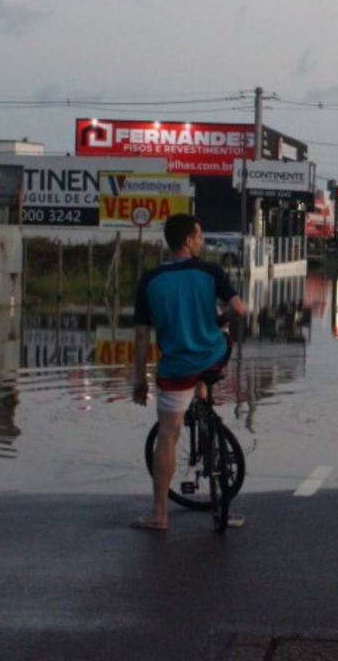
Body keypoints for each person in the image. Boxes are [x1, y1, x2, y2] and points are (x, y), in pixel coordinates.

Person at [130, 214, 246, 531]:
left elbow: (141, 335)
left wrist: (140, 379)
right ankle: (204, 391)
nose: (201, 241)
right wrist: (216, 324)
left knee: (167, 434)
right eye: (199, 236)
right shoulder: (210, 271)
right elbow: (239, 309)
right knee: (219, 344)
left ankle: (159, 515)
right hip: (212, 355)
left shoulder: (150, 280)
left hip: (175, 366)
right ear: (188, 240)